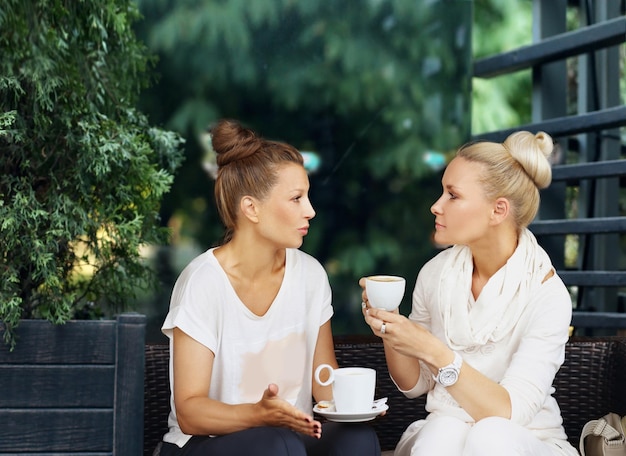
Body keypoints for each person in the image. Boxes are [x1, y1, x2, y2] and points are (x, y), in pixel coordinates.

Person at [159, 119, 381, 456]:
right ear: (251, 208)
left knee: (359, 440)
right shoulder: (203, 282)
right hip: (206, 443)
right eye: (296, 199)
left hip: (292, 434)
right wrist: (258, 415)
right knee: (279, 444)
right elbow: (190, 412)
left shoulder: (310, 275)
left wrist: (356, 403)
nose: (310, 210)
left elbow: (323, 384)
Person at [361, 131, 578, 456]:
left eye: (453, 195)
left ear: (498, 210)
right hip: (448, 430)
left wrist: (434, 351)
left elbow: (511, 413)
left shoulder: (548, 295)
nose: (436, 206)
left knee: (489, 435)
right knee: (442, 433)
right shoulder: (435, 275)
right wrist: (389, 326)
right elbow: (415, 385)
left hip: (522, 439)